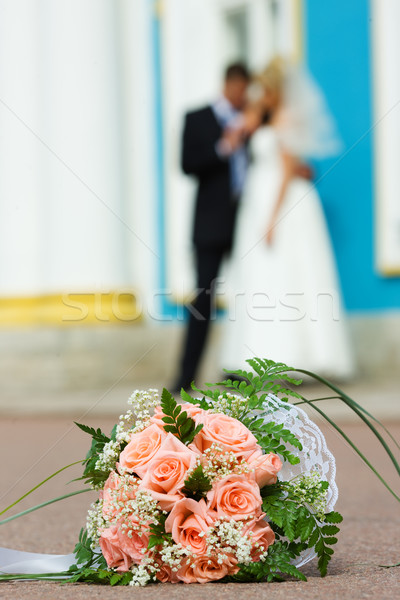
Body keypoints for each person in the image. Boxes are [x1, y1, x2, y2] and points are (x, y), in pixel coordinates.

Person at [221, 57, 354, 378]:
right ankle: (256, 356)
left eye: (265, 91)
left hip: (277, 203)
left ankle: (292, 357)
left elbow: (286, 173)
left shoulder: (286, 120)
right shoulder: (262, 120)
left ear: (277, 91)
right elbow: (244, 130)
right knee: (260, 279)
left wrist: (273, 218)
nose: (260, 97)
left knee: (285, 278)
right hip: (258, 201)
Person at [172, 62, 251, 392]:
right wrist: (224, 147)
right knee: (203, 297)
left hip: (248, 223)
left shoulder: (254, 119)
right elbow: (187, 164)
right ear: (227, 84)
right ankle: (184, 376)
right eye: (237, 88)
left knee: (251, 294)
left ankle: (238, 368)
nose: (240, 94)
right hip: (210, 224)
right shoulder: (198, 117)